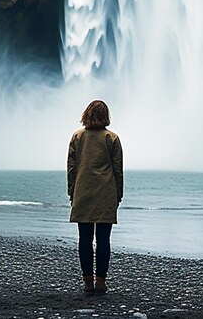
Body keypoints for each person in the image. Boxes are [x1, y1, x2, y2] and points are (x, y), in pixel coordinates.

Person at [67, 99, 123, 296]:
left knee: (84, 239)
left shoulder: (77, 137)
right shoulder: (112, 138)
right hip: (106, 193)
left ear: (86, 115)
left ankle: (87, 282)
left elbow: (71, 168)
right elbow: (118, 170)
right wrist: (119, 195)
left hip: (82, 192)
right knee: (103, 240)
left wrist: (71, 192)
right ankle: (101, 282)